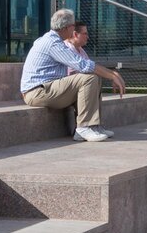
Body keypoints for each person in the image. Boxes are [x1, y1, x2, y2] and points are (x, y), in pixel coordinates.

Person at [20, 9, 126, 142]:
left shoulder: (52, 40)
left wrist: (111, 74)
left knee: (94, 77)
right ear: (66, 28)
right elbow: (82, 65)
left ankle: (94, 126)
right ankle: (83, 128)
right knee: (88, 77)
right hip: (37, 92)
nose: (73, 29)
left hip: (46, 88)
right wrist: (112, 75)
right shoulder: (53, 43)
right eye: (72, 26)